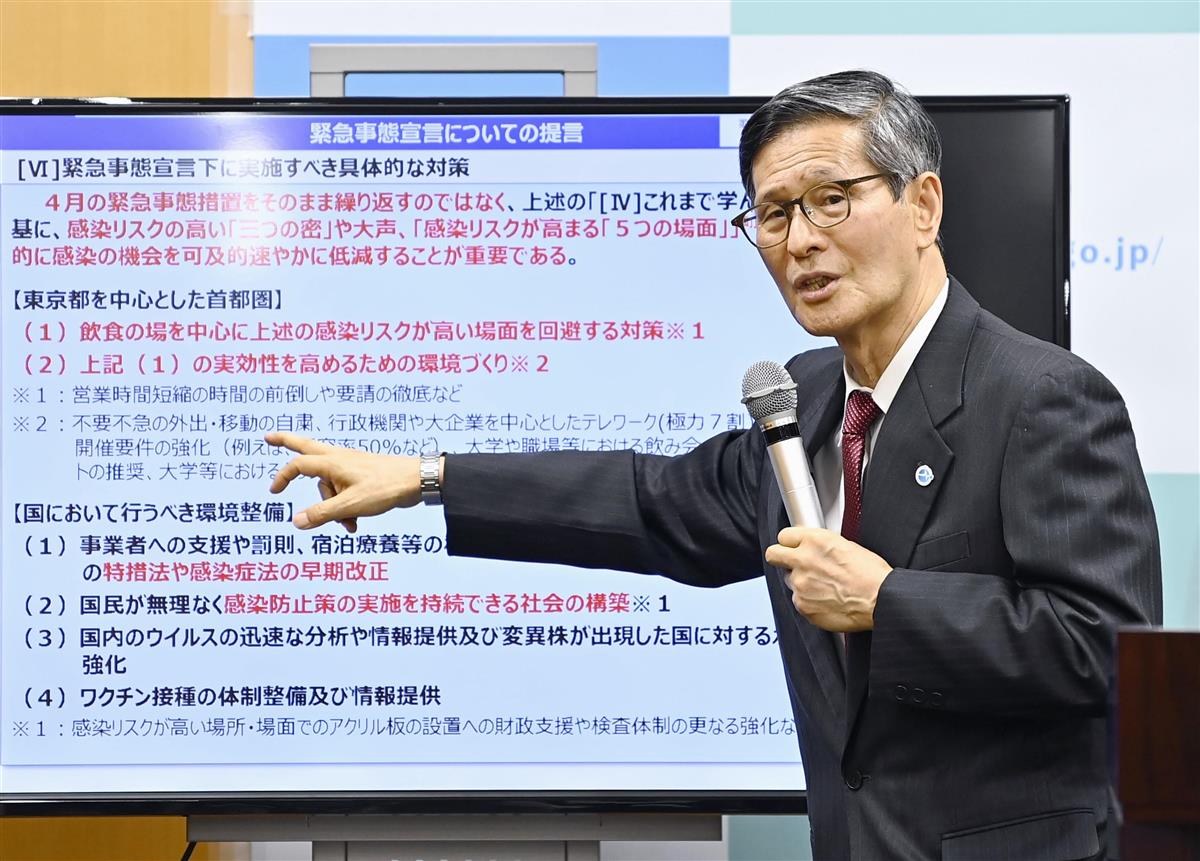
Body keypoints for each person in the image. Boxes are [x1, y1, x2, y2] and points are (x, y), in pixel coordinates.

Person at [266, 70, 1162, 860]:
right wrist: (427, 478)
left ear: (922, 205)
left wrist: (888, 603)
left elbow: (1107, 650)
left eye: (830, 199)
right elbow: (651, 500)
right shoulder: (808, 398)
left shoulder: (1042, 396)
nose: (799, 240)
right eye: (773, 214)